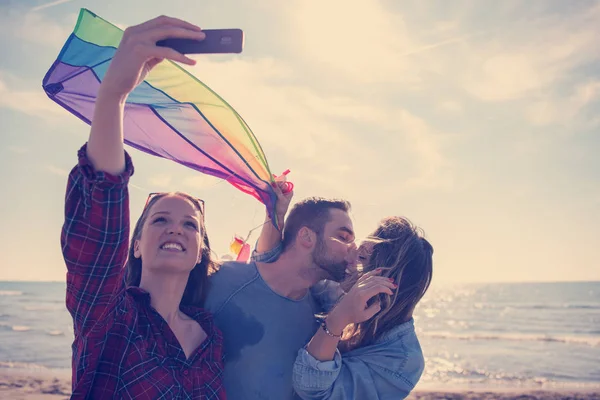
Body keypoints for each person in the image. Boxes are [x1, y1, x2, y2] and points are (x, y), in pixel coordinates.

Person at [61, 16, 225, 399]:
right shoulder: (109, 316)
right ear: (135, 245)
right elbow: (97, 239)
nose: (176, 229)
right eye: (161, 219)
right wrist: (114, 94)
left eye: (190, 225)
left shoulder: (211, 336)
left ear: (200, 249)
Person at [254, 197, 434, 399]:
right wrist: (275, 215)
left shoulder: (402, 361)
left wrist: (338, 319)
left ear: (386, 281)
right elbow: (283, 268)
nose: (351, 255)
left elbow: (314, 391)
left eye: (362, 257)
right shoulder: (339, 291)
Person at [204, 188, 359, 399]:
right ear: (306, 236)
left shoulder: (319, 321)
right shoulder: (220, 280)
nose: (353, 249)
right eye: (343, 237)